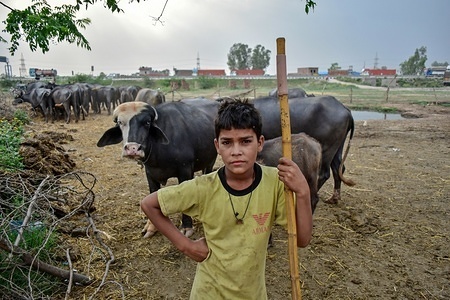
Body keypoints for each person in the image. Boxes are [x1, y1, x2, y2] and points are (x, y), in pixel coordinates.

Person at [140, 99, 313, 299]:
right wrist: (186, 245)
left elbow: (302, 239)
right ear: (217, 146)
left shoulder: (275, 183)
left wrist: (303, 192)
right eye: (227, 142)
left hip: (253, 294)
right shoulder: (203, 187)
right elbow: (149, 204)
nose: (236, 151)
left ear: (260, 143)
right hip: (208, 293)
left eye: (246, 141)